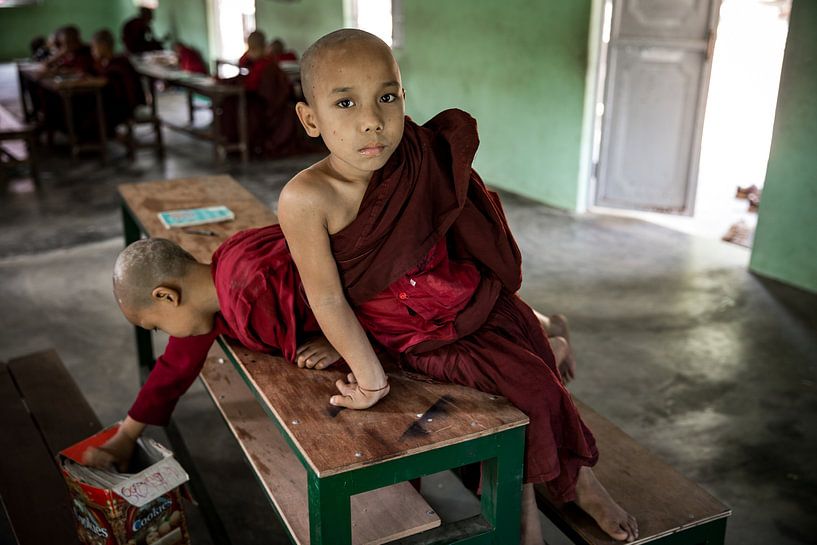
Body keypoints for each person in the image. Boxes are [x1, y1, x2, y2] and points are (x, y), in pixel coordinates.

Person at [277, 29, 637, 543]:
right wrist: (369, 375)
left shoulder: (420, 159)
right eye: (344, 103)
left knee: (530, 369)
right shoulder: (306, 198)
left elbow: (469, 235)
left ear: (404, 97)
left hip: (470, 303)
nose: (371, 120)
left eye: (387, 97)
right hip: (414, 337)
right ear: (310, 119)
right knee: (522, 390)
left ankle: (582, 479)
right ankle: (527, 508)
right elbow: (328, 295)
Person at [82, 225, 340, 470]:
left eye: (156, 327)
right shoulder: (214, 292)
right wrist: (126, 435)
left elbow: (365, 282)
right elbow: (175, 366)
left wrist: (339, 340)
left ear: (167, 296)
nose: (167, 334)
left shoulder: (254, 292)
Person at [91, 29, 146, 133]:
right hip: (115, 105)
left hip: (125, 107)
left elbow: (106, 83)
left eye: (94, 47)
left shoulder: (120, 64)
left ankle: (108, 137)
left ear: (103, 45)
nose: (92, 51)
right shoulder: (106, 63)